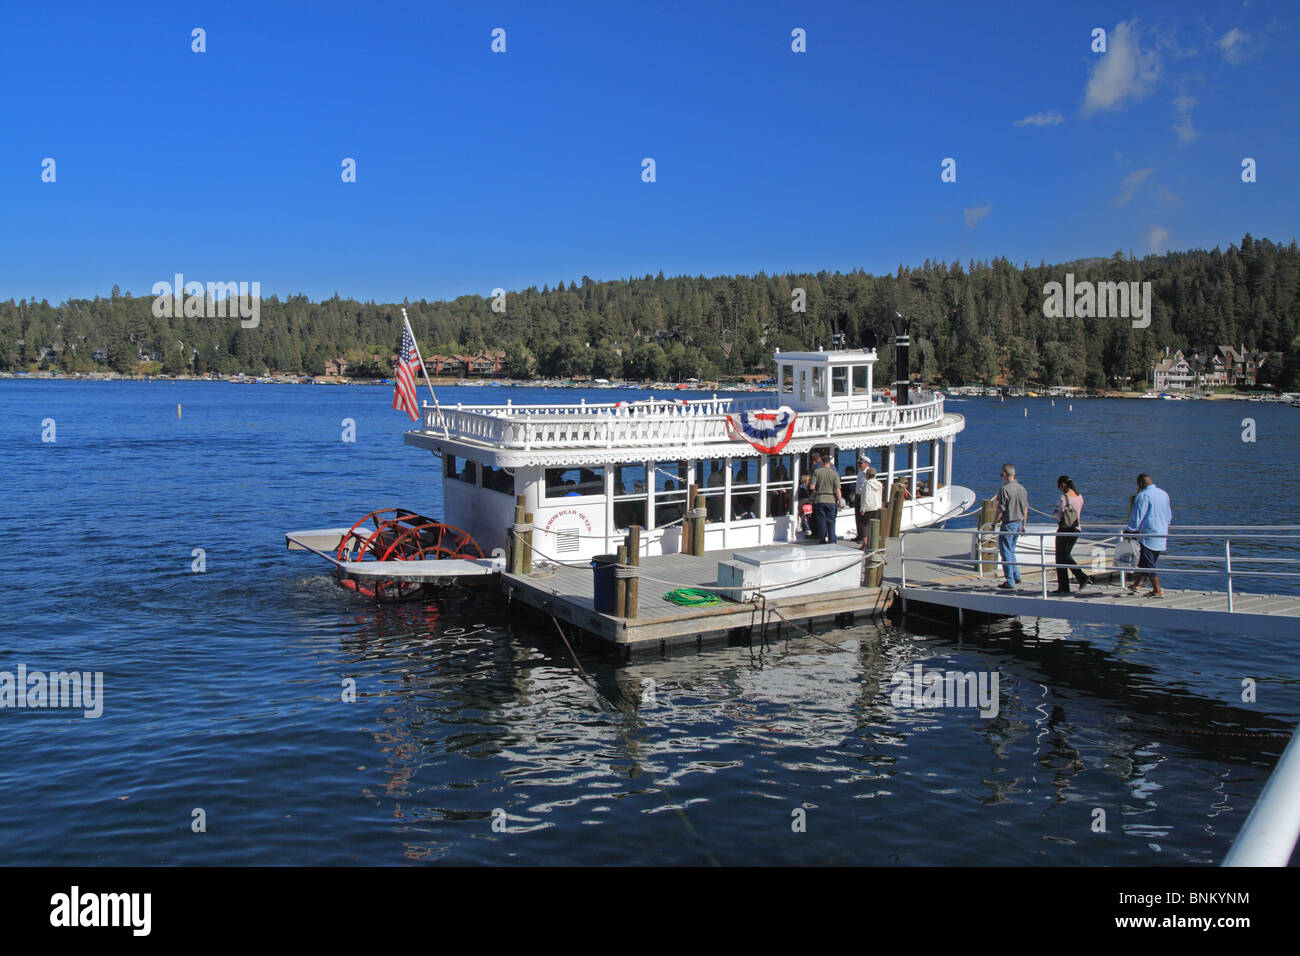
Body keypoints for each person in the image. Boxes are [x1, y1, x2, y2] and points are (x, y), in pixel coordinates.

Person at [1124, 473, 1171, 597]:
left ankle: (1157, 590)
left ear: (1140, 484)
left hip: (1148, 534)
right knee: (1146, 560)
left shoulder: (1143, 495)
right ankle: (1136, 584)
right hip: (1162, 532)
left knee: (1149, 562)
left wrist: (1130, 530)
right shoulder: (1163, 493)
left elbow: (1138, 515)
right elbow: (1169, 514)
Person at [1051, 475, 1089, 593]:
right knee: (1065, 556)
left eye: (1059, 486)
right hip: (1076, 529)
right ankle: (1067, 585)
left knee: (1061, 557)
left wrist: (1055, 512)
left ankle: (1080, 578)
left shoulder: (1064, 498)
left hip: (1065, 530)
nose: (1059, 488)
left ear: (1063, 485)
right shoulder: (1079, 497)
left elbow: (1058, 515)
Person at [993, 463, 1027, 589]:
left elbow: (1001, 509)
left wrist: (994, 523)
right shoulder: (1022, 488)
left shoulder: (1004, 489)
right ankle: (1016, 576)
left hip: (1009, 524)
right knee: (1011, 550)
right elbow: (1025, 508)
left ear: (1005, 475)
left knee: (1005, 552)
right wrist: (1024, 524)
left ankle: (1010, 581)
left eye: (1002, 474)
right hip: (1019, 523)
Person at [811, 453, 844, 544]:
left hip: (820, 499)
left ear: (822, 462)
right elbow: (838, 489)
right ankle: (832, 540)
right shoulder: (835, 474)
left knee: (821, 522)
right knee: (831, 521)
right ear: (829, 462)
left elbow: (812, 487)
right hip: (831, 499)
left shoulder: (817, 472)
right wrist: (840, 501)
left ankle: (822, 540)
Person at [855, 454, 883, 548]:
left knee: (864, 524)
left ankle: (865, 544)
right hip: (876, 506)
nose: (859, 465)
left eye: (861, 463)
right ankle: (870, 542)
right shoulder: (878, 484)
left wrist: (864, 508)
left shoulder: (867, 483)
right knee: (871, 524)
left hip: (867, 505)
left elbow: (867, 496)